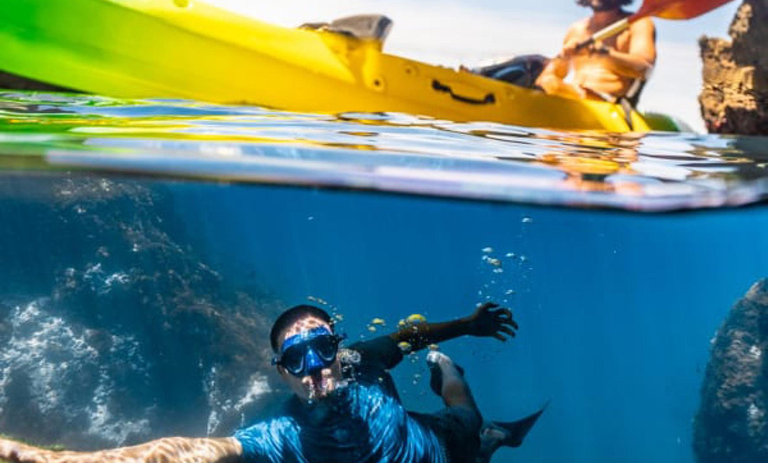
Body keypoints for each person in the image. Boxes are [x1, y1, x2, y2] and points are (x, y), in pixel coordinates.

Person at [0, 302, 544, 463]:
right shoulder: (283, 436)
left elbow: (408, 336)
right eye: (297, 358)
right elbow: (191, 451)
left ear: (338, 348)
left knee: (470, 419)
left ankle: (450, 373)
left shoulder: (361, 361)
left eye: (322, 349)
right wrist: (51, 460)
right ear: (283, 372)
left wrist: (466, 326)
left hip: (438, 446)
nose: (316, 367)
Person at [535, 0, 656, 106]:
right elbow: (557, 73)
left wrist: (602, 53)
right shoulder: (576, 29)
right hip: (575, 97)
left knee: (548, 83)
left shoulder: (638, 23)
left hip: (610, 105)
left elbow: (644, 69)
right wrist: (563, 58)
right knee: (540, 78)